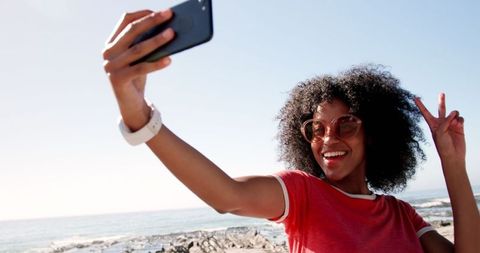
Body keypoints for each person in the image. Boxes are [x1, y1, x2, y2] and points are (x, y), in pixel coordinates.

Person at [102, 9, 479, 253]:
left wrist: (452, 162)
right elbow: (226, 195)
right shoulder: (303, 196)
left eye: (346, 123)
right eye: (316, 128)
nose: (328, 138)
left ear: (374, 133)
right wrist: (141, 119)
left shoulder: (403, 216)